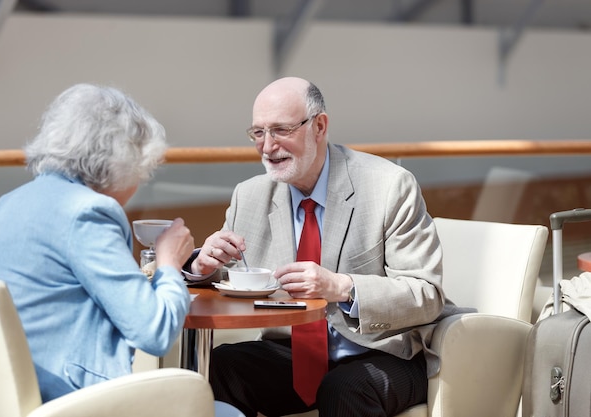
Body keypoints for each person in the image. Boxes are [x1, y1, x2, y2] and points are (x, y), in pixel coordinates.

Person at [184, 77, 469, 417]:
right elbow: (228, 274)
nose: (267, 146)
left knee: (343, 388)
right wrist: (202, 265)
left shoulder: (389, 186)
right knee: (218, 367)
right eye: (258, 133)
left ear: (319, 126)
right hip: (292, 353)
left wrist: (340, 286)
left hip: (387, 352)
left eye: (281, 130)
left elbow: (426, 294)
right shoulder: (250, 195)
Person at [0, 83, 243, 417]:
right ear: (123, 161)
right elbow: (154, 332)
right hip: (73, 401)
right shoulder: (88, 212)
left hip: (1, 402)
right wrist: (170, 262)